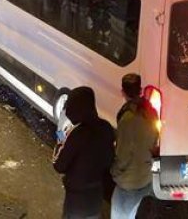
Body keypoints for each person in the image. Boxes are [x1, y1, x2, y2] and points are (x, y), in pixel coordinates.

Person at [52, 86, 115, 219]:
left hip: (76, 203)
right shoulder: (106, 128)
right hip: (96, 198)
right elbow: (109, 160)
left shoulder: (77, 134)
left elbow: (59, 165)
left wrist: (60, 138)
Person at [111, 74, 159, 219]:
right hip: (145, 176)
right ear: (140, 90)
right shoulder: (151, 112)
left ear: (123, 92)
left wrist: (114, 171)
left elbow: (123, 155)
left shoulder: (127, 119)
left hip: (129, 181)